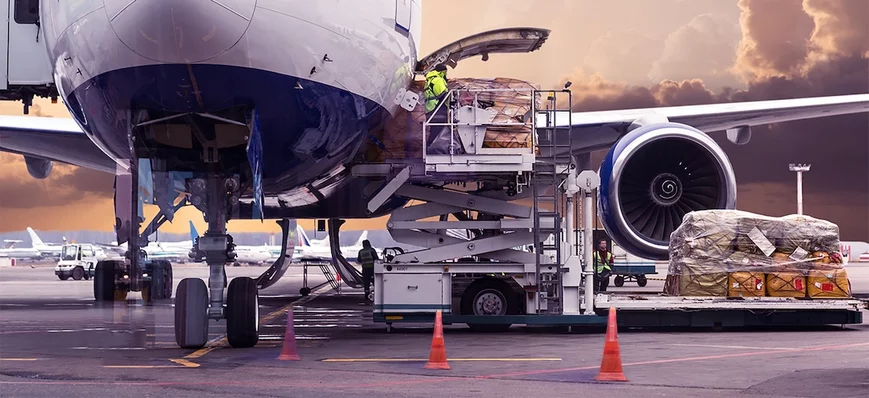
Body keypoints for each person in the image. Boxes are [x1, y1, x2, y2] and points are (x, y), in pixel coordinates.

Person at [423, 63, 452, 153]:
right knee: (438, 130)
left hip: (430, 109)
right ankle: (431, 149)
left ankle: (430, 148)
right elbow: (442, 94)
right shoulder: (438, 80)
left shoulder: (430, 80)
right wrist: (451, 100)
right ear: (443, 71)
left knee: (435, 130)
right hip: (437, 109)